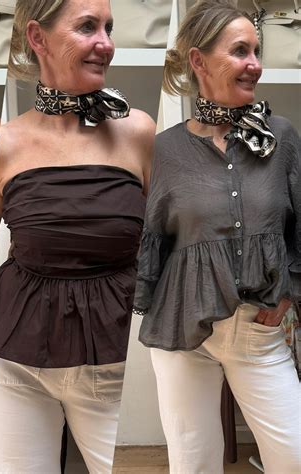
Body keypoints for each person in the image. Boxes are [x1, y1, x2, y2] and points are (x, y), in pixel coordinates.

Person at [0, 0, 155, 471]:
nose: (105, 44)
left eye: (109, 28)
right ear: (38, 38)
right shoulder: (1, 143)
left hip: (115, 364)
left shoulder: (139, 132)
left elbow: (165, 244)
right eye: (87, 27)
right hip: (15, 368)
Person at [133, 1, 300, 473]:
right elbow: (151, 236)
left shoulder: (281, 138)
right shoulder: (164, 149)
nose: (255, 64)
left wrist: (289, 290)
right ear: (199, 61)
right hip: (182, 330)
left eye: (257, 51)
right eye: (240, 51)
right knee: (193, 461)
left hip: (256, 330)